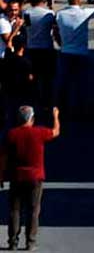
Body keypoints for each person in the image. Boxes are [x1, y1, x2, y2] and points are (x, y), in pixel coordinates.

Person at [4, 105, 59, 251]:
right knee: (33, 210)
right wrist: (56, 116)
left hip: (16, 177)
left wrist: (2, 175)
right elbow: (55, 132)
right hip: (35, 178)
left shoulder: (12, 134)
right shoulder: (39, 132)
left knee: (15, 210)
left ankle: (12, 242)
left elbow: (3, 157)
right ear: (31, 118)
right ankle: (30, 242)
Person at [53, 0, 94, 117]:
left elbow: (55, 31)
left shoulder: (60, 14)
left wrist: (61, 44)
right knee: (81, 83)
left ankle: (61, 109)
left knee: (64, 82)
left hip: (66, 52)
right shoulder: (85, 13)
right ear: (79, 0)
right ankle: (81, 109)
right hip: (81, 53)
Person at [23, 0, 55, 114]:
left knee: (34, 77)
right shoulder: (48, 14)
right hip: (46, 48)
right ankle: (47, 103)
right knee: (47, 78)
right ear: (43, 0)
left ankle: (34, 102)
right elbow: (53, 26)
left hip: (32, 48)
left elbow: (27, 26)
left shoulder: (26, 13)